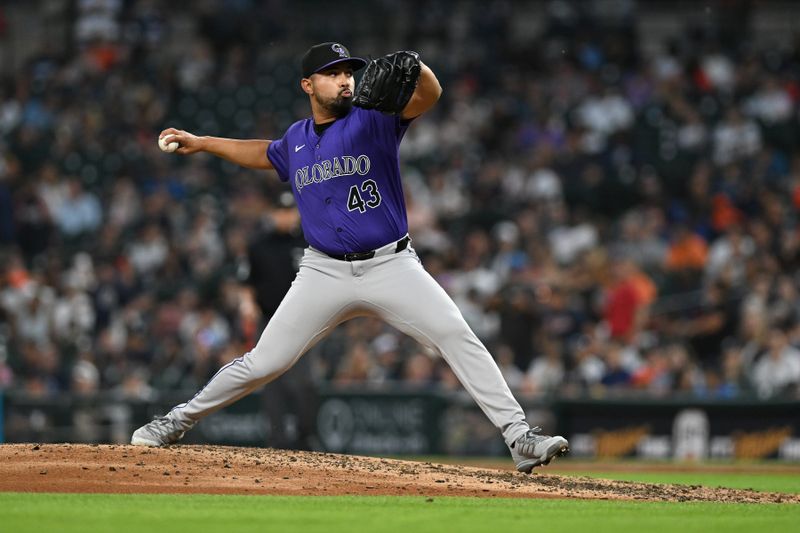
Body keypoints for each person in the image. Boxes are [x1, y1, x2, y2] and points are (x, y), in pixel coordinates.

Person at [130, 42, 569, 472]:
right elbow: (263, 153)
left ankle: (519, 437)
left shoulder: (373, 119)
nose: (345, 80)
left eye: (348, 72)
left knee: (456, 334)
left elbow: (431, 95)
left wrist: (418, 67)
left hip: (391, 264)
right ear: (308, 84)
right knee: (264, 362)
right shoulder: (297, 140)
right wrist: (203, 142)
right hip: (323, 270)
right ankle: (176, 421)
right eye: (333, 73)